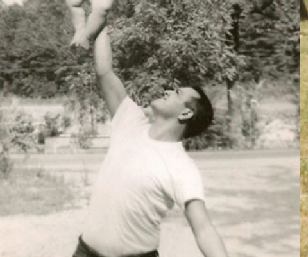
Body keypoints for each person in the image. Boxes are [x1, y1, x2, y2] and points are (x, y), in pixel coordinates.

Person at [72, 27, 228, 257]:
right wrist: (100, 19)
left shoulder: (182, 167)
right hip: (85, 252)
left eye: (176, 92)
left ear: (185, 114)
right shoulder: (130, 121)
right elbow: (104, 72)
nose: (167, 91)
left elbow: (203, 228)